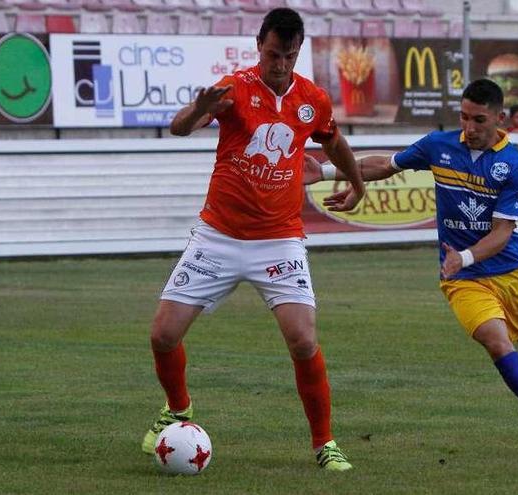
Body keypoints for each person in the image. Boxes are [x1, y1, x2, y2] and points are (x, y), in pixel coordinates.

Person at [308, 79, 518, 457]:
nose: (469, 128)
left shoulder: (515, 165)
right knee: (498, 343)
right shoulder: (439, 146)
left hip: (511, 273)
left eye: (479, 120)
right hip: (462, 278)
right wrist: (329, 173)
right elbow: (386, 165)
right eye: (463, 117)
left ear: (499, 118)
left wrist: (468, 255)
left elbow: (502, 234)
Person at [141, 7, 365, 471]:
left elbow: (333, 141)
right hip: (218, 235)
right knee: (163, 335)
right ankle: (178, 407)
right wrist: (201, 108)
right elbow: (179, 127)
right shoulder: (235, 89)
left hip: (279, 241)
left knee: (303, 341)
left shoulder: (312, 99)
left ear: (297, 51)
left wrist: (357, 180)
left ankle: (325, 443)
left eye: (287, 55)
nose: (279, 64)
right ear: (257, 46)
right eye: (271, 54)